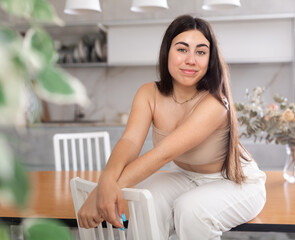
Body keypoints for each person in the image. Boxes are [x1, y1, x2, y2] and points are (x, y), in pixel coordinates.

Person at [77, 15, 266, 240]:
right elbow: (130, 141)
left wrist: (100, 194)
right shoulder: (149, 93)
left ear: (210, 59)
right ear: (167, 52)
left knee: (191, 210)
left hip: (236, 182)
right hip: (185, 175)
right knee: (143, 200)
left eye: (201, 52)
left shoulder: (215, 103)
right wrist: (105, 183)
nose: (191, 60)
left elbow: (163, 154)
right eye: (182, 49)